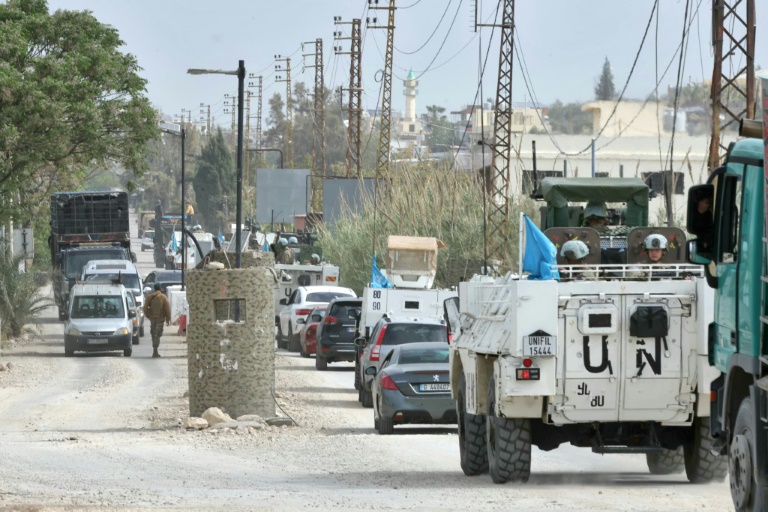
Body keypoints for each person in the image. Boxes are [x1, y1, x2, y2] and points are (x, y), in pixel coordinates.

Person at [143, 283, 171, 358]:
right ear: (160, 289)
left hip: (152, 319)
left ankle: (155, 350)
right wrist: (168, 319)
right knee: (157, 334)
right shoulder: (163, 297)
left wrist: (148, 316)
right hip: (160, 319)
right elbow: (167, 309)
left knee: (153, 333)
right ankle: (155, 350)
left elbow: (145, 308)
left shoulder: (149, 297)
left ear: (154, 289)